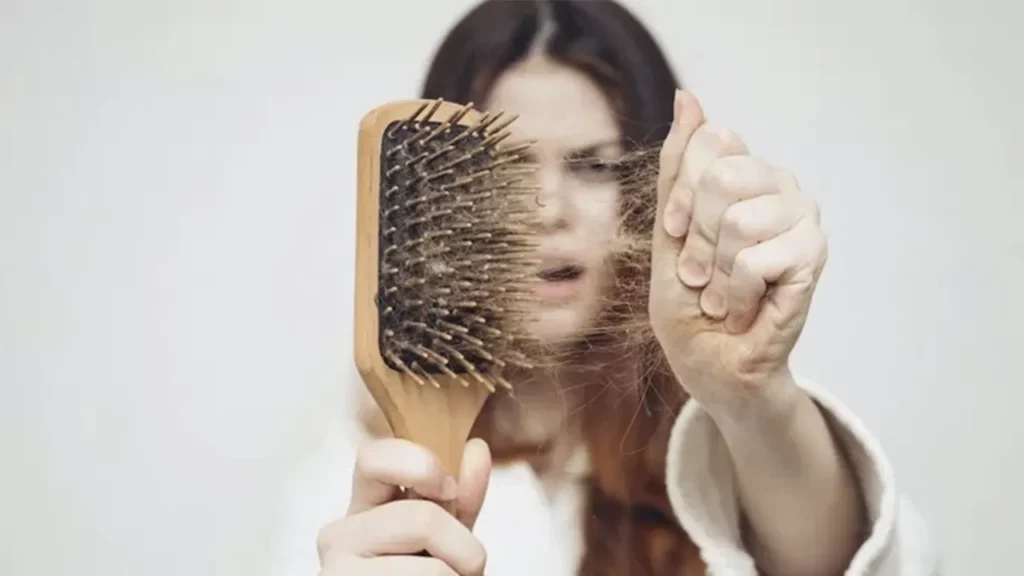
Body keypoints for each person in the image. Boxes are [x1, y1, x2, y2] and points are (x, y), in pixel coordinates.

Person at [270, 1, 939, 575]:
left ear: (654, 194)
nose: (548, 210)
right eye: (507, 168)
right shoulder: (350, 492)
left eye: (593, 166)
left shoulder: (732, 446)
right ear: (439, 197)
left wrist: (755, 398)